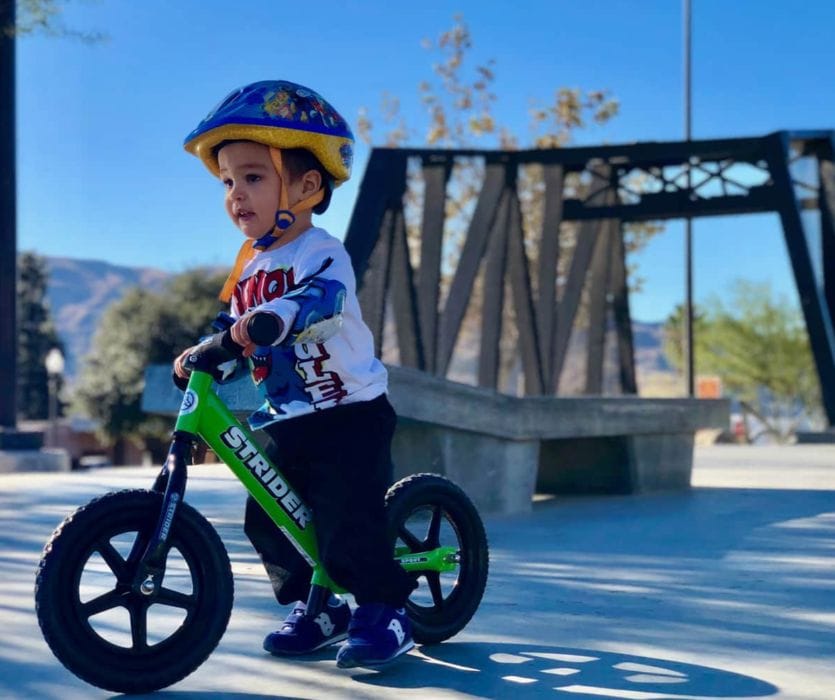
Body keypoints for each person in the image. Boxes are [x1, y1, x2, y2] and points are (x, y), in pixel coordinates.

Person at [175, 80, 416, 668]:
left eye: (253, 177)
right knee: (270, 515)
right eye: (228, 181)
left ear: (308, 187)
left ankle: (385, 609)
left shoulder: (319, 251)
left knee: (346, 512)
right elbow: (228, 326)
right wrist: (205, 350)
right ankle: (322, 607)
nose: (236, 194)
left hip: (349, 411)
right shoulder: (248, 265)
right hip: (289, 415)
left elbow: (321, 301)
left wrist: (270, 319)